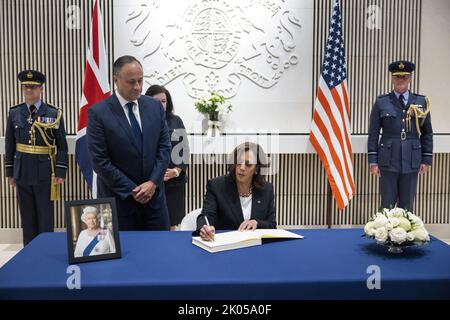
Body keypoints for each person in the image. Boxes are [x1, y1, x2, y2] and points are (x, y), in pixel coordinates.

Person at [87, 56, 171, 231]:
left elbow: (164, 148)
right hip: (120, 204)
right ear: (116, 79)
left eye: (141, 80)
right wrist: (133, 190)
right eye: (131, 82)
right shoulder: (98, 113)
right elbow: (100, 161)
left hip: (154, 202)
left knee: (159, 254)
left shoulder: (154, 107)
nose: (138, 87)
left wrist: (153, 183)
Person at [4, 70, 68, 245]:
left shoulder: (54, 114)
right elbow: (10, 144)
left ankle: (45, 250)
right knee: (27, 217)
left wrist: (60, 172)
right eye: (25, 87)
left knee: (45, 215)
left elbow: (62, 146)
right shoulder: (15, 113)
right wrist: (9, 172)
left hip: (45, 172)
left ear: (41, 89)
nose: (28, 91)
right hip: (22, 170)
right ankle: (29, 253)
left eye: (32, 87)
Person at [368, 60, 433, 212]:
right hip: (387, 158)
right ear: (392, 78)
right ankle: (385, 234)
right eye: (397, 76)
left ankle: (405, 235)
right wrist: (373, 161)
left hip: (411, 158)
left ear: (410, 78)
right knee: (387, 204)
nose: (401, 80)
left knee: (407, 204)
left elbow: (427, 132)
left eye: (404, 76)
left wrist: (426, 159)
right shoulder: (382, 102)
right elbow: (373, 133)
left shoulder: (421, 101)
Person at [195, 142, 277, 241]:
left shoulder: (266, 189)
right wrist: (204, 228)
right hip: (225, 246)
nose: (242, 168)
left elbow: (272, 225)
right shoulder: (216, 186)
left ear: (257, 169)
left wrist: (256, 223)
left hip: (255, 246)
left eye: (248, 164)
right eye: (239, 162)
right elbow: (206, 216)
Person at [145, 85, 190, 231]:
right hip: (150, 182)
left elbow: (184, 150)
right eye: (156, 101)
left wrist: (176, 171)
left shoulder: (176, 121)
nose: (161, 105)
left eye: (163, 101)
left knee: (172, 224)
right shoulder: (142, 121)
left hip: (173, 183)